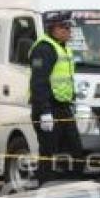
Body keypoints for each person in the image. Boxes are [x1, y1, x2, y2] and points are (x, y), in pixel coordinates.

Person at [29, 11, 83, 185]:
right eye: (64, 27)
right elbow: (38, 82)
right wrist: (44, 112)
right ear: (52, 29)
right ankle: (44, 187)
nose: (68, 30)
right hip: (47, 108)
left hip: (62, 107)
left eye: (69, 27)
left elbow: (65, 80)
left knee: (75, 149)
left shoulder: (63, 47)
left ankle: (72, 187)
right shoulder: (43, 49)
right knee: (48, 152)